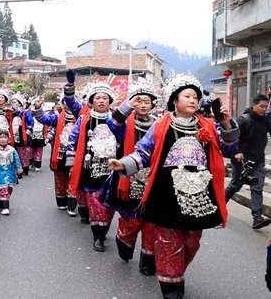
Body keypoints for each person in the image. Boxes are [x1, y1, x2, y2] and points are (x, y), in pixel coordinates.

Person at [108, 72, 239, 299]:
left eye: (195, 97)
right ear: (174, 101)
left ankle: (175, 271)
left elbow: (227, 149)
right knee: (169, 242)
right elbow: (144, 152)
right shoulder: (160, 126)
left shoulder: (207, 125)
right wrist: (123, 164)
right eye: (187, 96)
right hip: (166, 194)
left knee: (191, 242)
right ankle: (172, 286)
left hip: (198, 195)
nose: (192, 100)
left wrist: (226, 124)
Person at [63, 71, 139, 252]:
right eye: (98, 98)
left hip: (113, 167)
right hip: (91, 167)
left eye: (105, 98)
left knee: (109, 204)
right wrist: (72, 164)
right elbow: (73, 139)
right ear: (92, 100)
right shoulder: (84, 118)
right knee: (95, 203)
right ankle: (98, 236)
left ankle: (103, 227)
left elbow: (122, 136)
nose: (102, 101)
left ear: (110, 101)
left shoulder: (119, 120)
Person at [100, 82, 158, 274]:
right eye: (139, 101)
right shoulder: (125, 123)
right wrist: (127, 106)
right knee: (131, 220)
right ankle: (124, 240)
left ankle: (148, 262)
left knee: (151, 223)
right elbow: (112, 124)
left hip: (152, 178)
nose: (143, 105)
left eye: (147, 102)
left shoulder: (159, 124)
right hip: (127, 176)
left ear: (153, 105)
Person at [225, 94, 271, 229]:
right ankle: (219, 206)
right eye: (261, 106)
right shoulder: (244, 120)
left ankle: (257, 218)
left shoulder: (266, 121)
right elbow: (231, 135)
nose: (264, 109)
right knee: (235, 185)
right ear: (254, 105)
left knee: (257, 187)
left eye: (266, 107)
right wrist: (236, 151)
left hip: (257, 160)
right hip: (241, 160)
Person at [31, 95, 82, 213]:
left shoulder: (81, 117)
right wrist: (37, 107)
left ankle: (72, 204)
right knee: (60, 178)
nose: (68, 105)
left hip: (75, 152)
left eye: (71, 103)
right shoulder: (58, 117)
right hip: (60, 152)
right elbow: (43, 119)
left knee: (72, 177)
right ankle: (61, 201)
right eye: (66, 103)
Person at [0, 130, 23, 215]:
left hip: (11, 173)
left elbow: (17, 160)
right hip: (0, 173)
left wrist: (19, 169)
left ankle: (2, 201)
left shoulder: (12, 150)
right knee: (4, 189)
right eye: (1, 137)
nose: (3, 139)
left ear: (8, 139)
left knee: (9, 189)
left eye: (5, 137)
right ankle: (5, 207)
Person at [10, 92, 34, 175]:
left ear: (20, 103)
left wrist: (27, 133)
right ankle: (15, 169)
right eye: (12, 102)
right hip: (12, 132)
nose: (13, 104)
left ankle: (24, 168)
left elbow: (31, 122)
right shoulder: (9, 111)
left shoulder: (24, 112)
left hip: (21, 133)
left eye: (15, 102)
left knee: (22, 152)